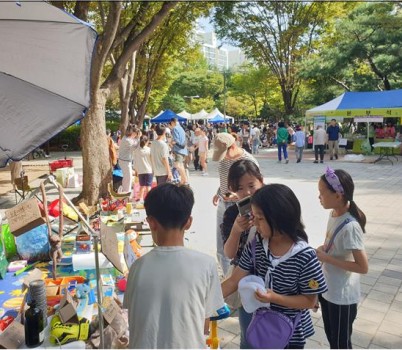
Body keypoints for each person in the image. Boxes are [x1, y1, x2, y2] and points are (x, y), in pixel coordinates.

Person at [221, 184, 327, 348]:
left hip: (291, 335)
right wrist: (204, 298)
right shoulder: (256, 247)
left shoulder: (305, 256)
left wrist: (275, 298)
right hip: (263, 328)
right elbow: (233, 281)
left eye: (260, 218)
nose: (254, 223)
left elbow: (309, 301)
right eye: (253, 216)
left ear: (280, 218)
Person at [123, 183, 225, 348]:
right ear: (188, 222)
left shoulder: (137, 267)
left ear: (151, 222)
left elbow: (135, 320)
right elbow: (204, 326)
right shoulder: (207, 265)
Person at [316, 167, 368, 349]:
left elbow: (363, 267)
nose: (319, 197)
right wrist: (323, 250)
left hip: (341, 296)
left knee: (340, 343)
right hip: (328, 289)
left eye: (321, 193)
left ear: (338, 195)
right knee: (333, 339)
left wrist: (327, 258)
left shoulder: (351, 226)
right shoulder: (334, 214)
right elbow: (332, 246)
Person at [221, 159, 264, 348]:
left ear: (261, 181)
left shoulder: (275, 206)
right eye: (239, 188)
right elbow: (229, 254)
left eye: (251, 185)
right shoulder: (232, 214)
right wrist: (236, 230)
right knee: (248, 335)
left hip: (273, 279)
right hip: (244, 280)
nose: (246, 192)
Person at [212, 133, 258, 276]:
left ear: (232, 146)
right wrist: (219, 191)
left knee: (240, 244)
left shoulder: (248, 161)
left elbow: (255, 186)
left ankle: (237, 276)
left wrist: (238, 195)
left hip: (241, 205)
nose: (223, 156)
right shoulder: (223, 160)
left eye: (224, 153)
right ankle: (228, 276)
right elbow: (224, 179)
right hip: (223, 202)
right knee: (222, 245)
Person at [118, 125, 140, 195]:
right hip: (125, 161)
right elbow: (135, 147)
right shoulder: (127, 140)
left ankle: (126, 193)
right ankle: (126, 193)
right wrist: (139, 138)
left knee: (128, 178)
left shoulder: (127, 138)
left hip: (125, 161)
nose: (136, 135)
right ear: (132, 132)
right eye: (135, 133)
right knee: (128, 178)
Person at [133, 135, 153, 204]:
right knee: (148, 187)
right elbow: (152, 160)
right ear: (147, 141)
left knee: (142, 186)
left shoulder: (136, 151)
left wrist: (136, 170)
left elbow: (135, 162)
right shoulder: (149, 150)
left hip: (140, 171)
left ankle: (141, 199)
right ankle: (149, 199)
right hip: (148, 170)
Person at [168, 118, 188, 185]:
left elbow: (176, 140)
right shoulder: (181, 128)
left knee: (177, 165)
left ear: (172, 122)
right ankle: (183, 180)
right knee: (181, 165)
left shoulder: (175, 129)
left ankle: (185, 180)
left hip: (178, 150)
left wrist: (170, 142)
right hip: (183, 149)